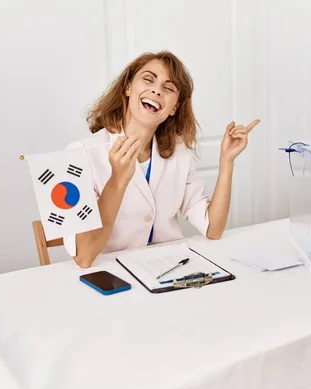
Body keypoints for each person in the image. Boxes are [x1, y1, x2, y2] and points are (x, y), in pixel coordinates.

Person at [63, 51, 260, 268]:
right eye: (148, 79)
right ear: (128, 87)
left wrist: (226, 162)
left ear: (174, 107)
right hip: (113, 277)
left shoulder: (180, 153)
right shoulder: (79, 155)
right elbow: (83, 256)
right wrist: (117, 180)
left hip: (170, 270)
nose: (157, 90)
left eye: (169, 88)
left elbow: (213, 229)